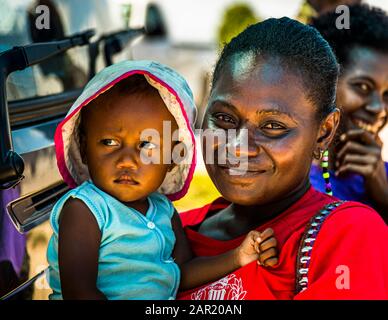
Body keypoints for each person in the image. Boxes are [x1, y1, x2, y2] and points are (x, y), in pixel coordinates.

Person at [177, 17, 388, 300]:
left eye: (273, 126)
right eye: (224, 118)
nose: (239, 147)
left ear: (324, 134)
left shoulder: (349, 236)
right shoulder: (164, 233)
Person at [46, 60, 278, 300]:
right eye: (109, 142)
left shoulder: (163, 211)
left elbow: (181, 274)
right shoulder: (85, 210)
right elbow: (79, 292)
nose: (126, 160)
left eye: (146, 145)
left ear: (171, 159)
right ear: (84, 149)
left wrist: (238, 256)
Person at [310, 4, 388, 220]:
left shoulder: (384, 176)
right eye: (363, 87)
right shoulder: (290, 188)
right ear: (323, 83)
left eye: (387, 96)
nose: (379, 108)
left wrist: (383, 195)